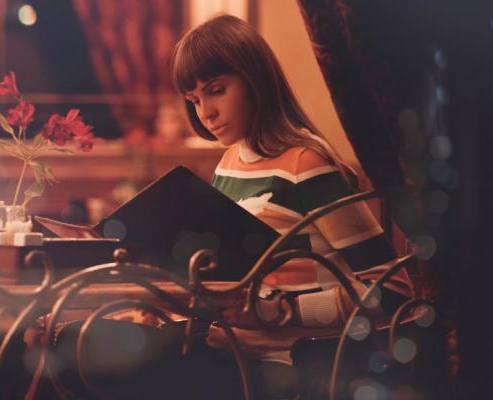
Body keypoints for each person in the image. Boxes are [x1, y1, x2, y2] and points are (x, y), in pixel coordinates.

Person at [168, 14, 415, 398]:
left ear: (255, 80)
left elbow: (393, 289)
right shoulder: (229, 162)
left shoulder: (305, 164)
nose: (206, 113)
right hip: (231, 354)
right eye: (195, 100)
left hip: (288, 368)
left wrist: (279, 311)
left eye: (216, 90)